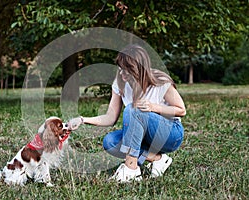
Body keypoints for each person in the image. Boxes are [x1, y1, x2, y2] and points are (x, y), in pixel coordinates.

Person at [68, 44, 186, 183]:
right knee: (110, 142)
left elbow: (181, 110)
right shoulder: (120, 83)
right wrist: (82, 120)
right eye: (120, 69)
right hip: (144, 137)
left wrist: (153, 107)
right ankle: (158, 159)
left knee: (133, 109)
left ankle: (131, 169)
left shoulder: (160, 82)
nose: (122, 74)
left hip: (170, 134)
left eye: (127, 70)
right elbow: (110, 117)